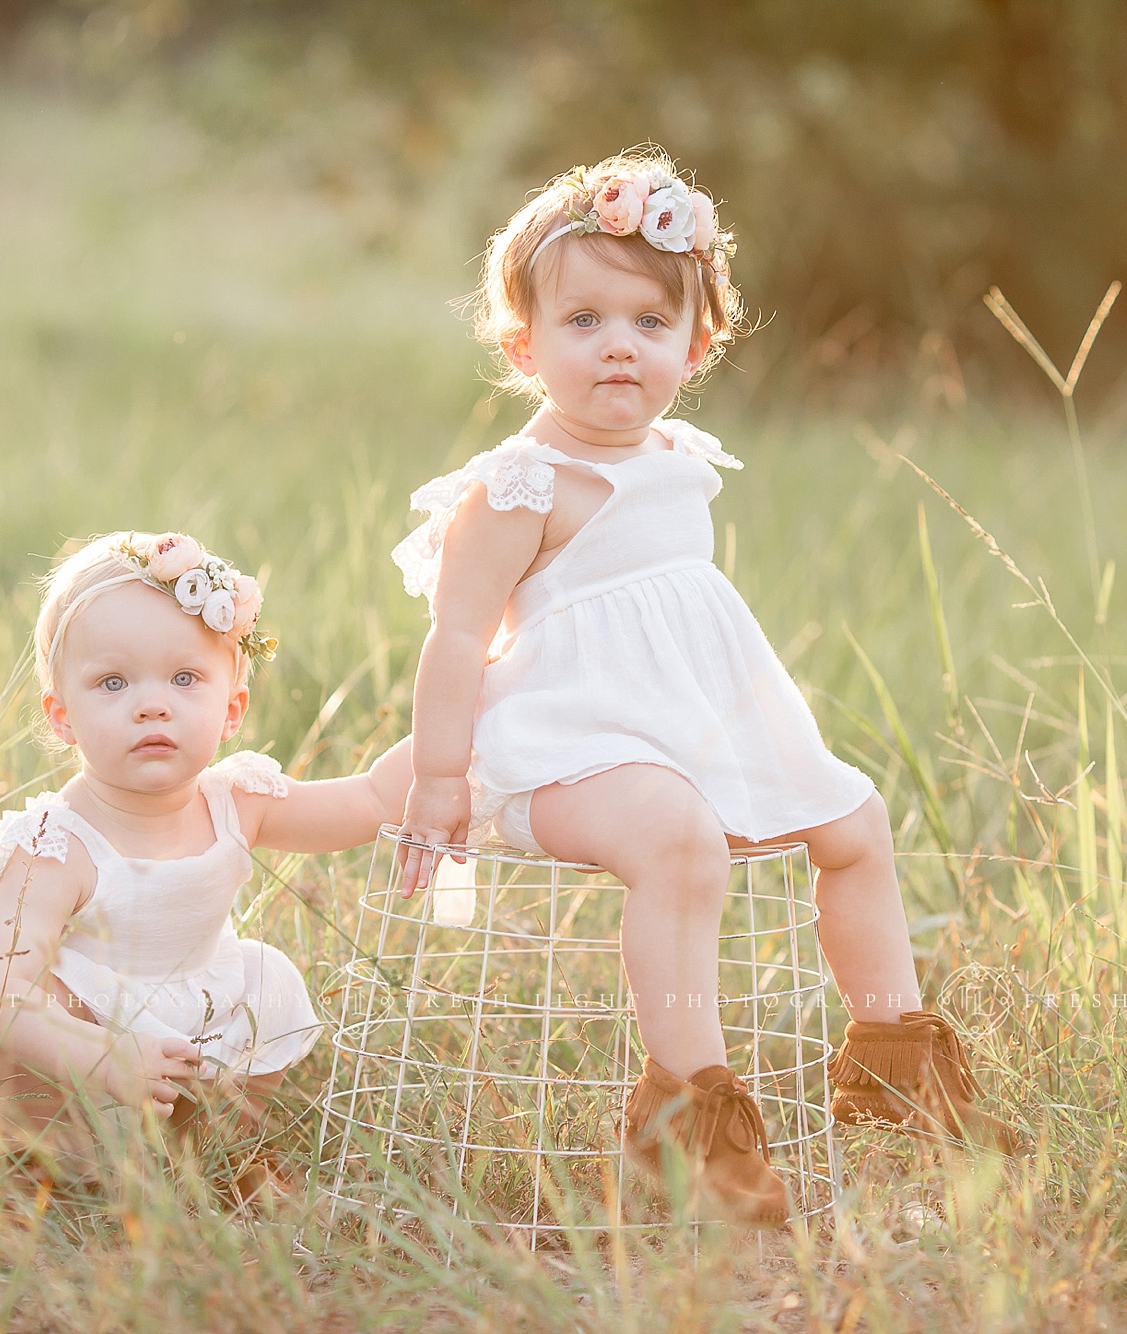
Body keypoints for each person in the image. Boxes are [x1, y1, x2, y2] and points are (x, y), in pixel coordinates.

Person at [391, 151, 1019, 1226]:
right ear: (523, 346)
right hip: (558, 747)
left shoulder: (677, 456)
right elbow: (455, 638)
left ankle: (891, 1057)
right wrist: (441, 777)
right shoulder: (516, 487)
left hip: (683, 728)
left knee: (855, 819)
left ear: (697, 340)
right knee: (676, 837)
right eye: (581, 320)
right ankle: (688, 1113)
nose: (617, 346)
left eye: (647, 321)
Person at [0, 531, 411, 1194]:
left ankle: (212, 1154)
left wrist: (471, 717)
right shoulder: (61, 843)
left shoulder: (238, 801)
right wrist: (100, 1054)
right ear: (62, 717)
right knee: (29, 1029)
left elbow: (371, 799)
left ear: (232, 710)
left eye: (185, 678)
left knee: (269, 986)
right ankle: (28, 1165)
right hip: (70, 1029)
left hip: (185, 1000)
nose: (153, 702)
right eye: (113, 682)